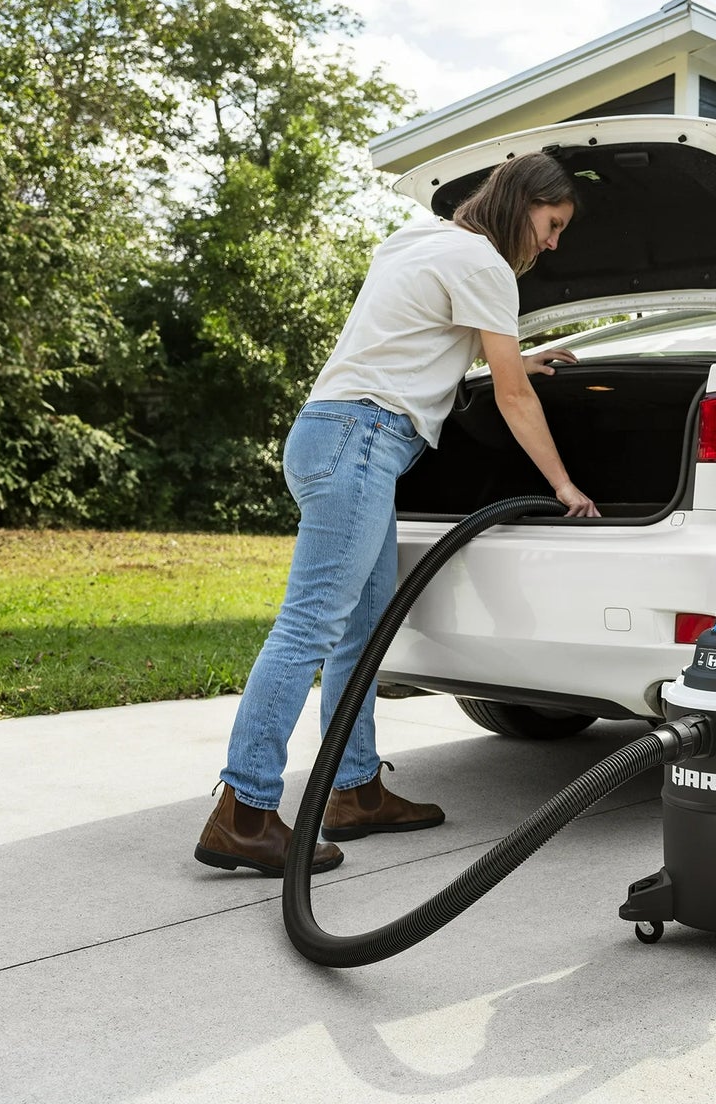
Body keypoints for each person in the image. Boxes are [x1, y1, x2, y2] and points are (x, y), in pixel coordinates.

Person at [195, 151, 598, 876]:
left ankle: (355, 791)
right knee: (309, 626)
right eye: (552, 223)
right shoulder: (485, 267)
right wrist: (565, 485)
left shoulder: (421, 240)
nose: (554, 242)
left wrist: (514, 362)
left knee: (363, 627)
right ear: (522, 203)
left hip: (336, 432)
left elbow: (419, 349)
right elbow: (512, 398)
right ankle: (244, 811)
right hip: (361, 440)